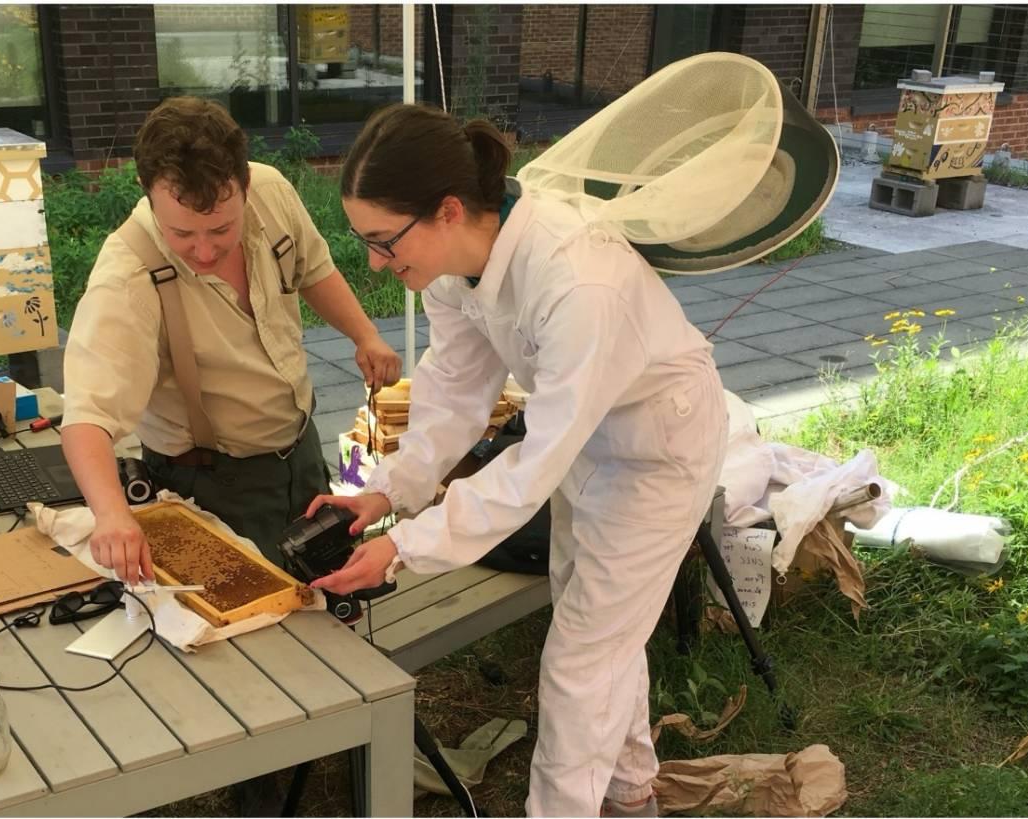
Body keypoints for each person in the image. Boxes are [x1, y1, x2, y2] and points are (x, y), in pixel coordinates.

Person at [308, 103, 728, 817]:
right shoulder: (452, 264)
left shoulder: (577, 278)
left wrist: (403, 548)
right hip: (589, 440)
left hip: (662, 449)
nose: (374, 262)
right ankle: (630, 793)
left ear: (446, 210)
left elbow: (531, 464)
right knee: (596, 622)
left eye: (384, 240)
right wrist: (384, 492)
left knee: (578, 662)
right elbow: (452, 390)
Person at [61, 97, 402, 586]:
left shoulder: (270, 190)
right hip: (210, 482)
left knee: (328, 597)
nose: (204, 249)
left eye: (222, 228)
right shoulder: (126, 280)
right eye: (181, 233)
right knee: (250, 632)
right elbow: (87, 418)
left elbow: (313, 269)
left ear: (244, 184)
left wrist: (366, 334)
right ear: (147, 193)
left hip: (300, 452)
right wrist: (113, 516)